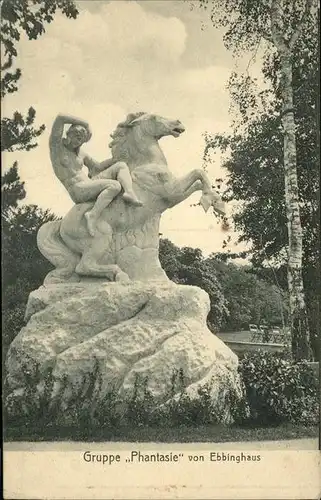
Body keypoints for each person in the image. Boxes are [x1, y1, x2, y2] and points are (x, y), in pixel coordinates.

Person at [49, 114, 143, 236]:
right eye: (76, 136)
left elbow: (97, 167)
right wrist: (86, 125)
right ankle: (92, 215)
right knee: (114, 186)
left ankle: (129, 192)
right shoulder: (57, 147)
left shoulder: (80, 153)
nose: (78, 141)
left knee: (120, 165)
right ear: (69, 134)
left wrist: (115, 159)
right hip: (77, 190)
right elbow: (60, 118)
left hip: (89, 183)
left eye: (81, 139)